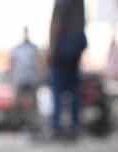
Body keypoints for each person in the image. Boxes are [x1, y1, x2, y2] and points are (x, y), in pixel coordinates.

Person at [49, 0, 87, 140]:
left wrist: (52, 49)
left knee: (57, 89)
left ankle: (57, 126)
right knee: (74, 89)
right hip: (75, 48)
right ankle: (75, 126)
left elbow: (56, 23)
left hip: (62, 48)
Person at [10, 27, 42, 134]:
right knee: (17, 103)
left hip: (32, 78)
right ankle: (17, 124)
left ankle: (35, 125)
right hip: (20, 78)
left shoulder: (34, 48)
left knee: (33, 103)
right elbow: (12, 64)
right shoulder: (16, 49)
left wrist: (40, 76)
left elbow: (39, 63)